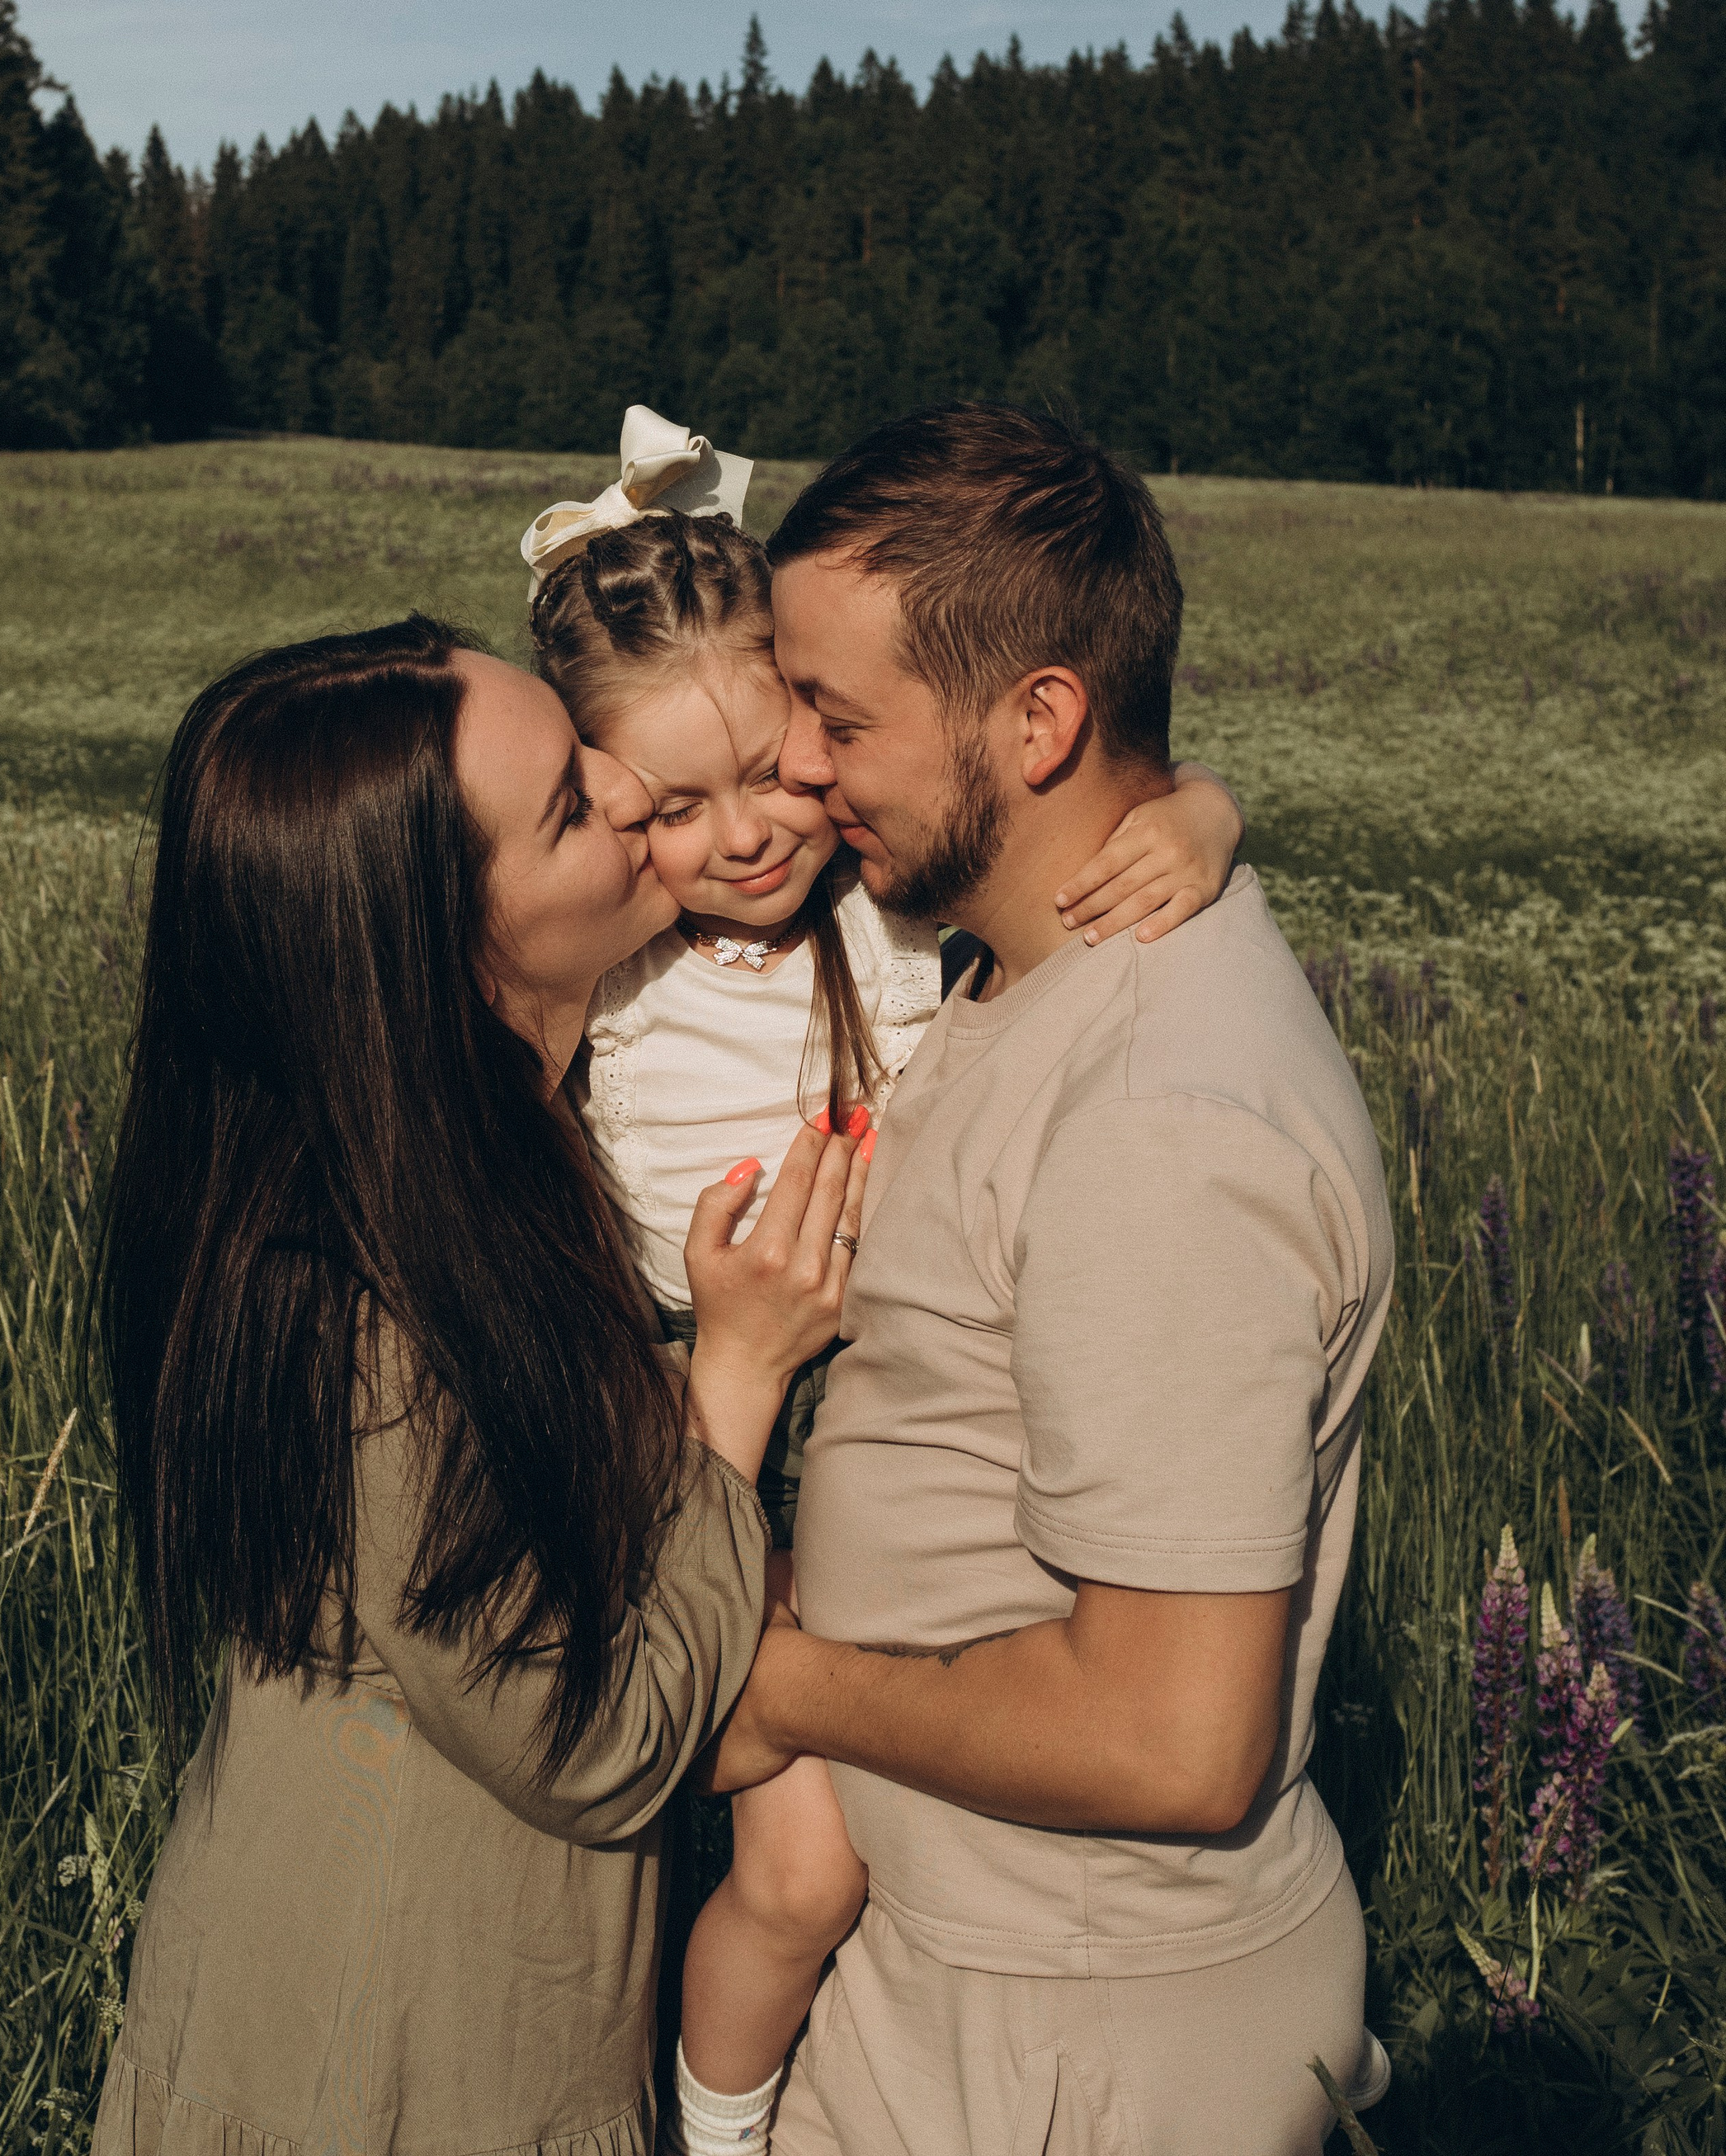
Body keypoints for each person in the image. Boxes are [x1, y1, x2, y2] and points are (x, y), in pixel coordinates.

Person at [522, 453, 1247, 2156]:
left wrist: (1203, 814)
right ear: (602, 800)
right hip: (680, 1432)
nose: (741, 836)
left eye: (770, 772)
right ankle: (716, 2131)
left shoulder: (892, 917)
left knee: (905, 1844)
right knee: (789, 1871)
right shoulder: (613, 960)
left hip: (903, 1434)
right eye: (669, 805)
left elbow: (1105, 804)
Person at [88, 616, 869, 2156]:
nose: (631, 787)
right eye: (576, 805)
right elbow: (610, 1735)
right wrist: (734, 1380)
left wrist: (1192, 821)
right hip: (388, 2070)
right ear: (443, 945)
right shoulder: (359, 1304)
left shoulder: (475, 1145)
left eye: (582, 749)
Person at [710, 402, 1394, 2156]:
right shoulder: (1019, 969)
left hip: (1075, 2044)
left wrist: (763, 1675)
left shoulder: (1162, 1118)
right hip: (965, 1977)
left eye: (836, 716)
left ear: (1036, 721)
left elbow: (1173, 1741)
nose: (792, 765)